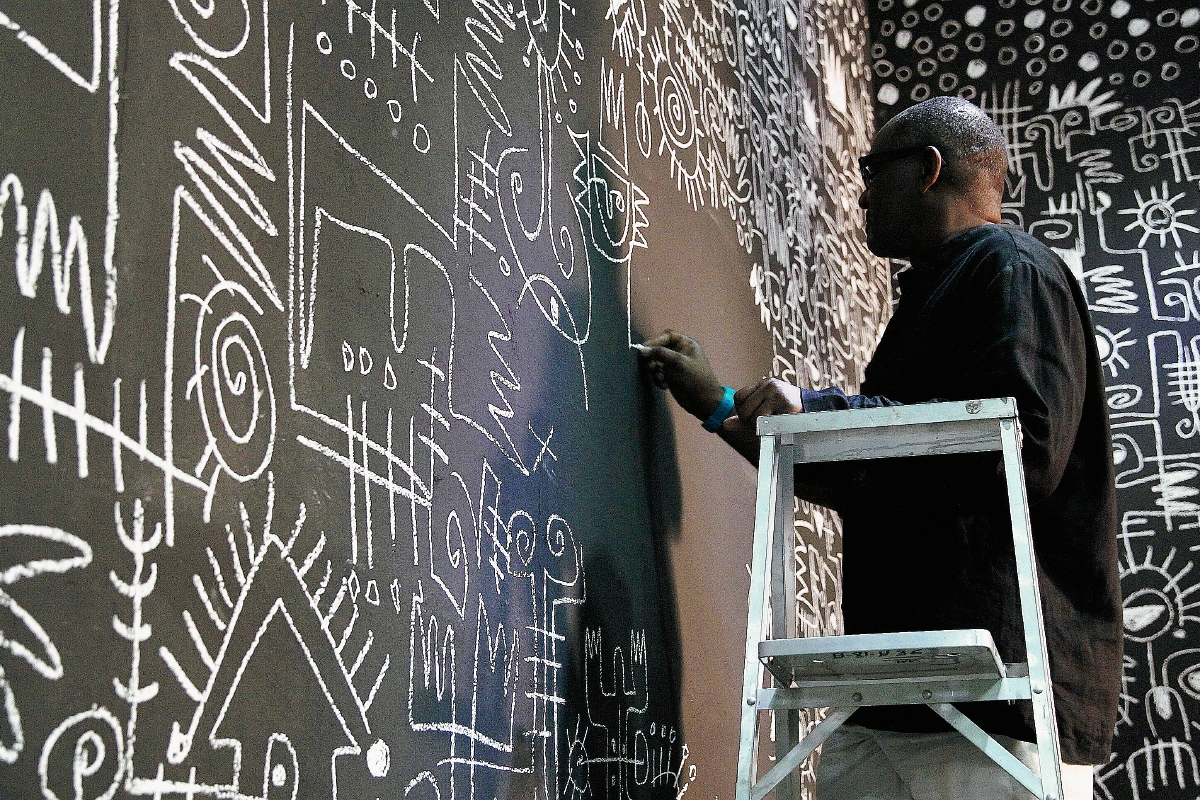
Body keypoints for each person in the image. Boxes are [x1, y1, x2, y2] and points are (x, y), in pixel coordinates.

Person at [639, 96, 1121, 800]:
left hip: (994, 704)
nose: (861, 191)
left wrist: (817, 407)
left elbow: (1023, 446)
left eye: (872, 169)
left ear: (927, 169)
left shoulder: (1010, 266)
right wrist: (721, 410)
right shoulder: (943, 290)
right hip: (895, 696)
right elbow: (874, 473)